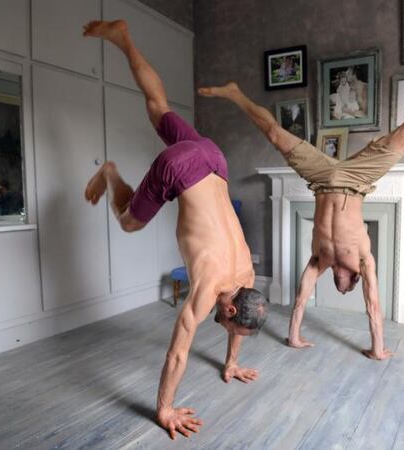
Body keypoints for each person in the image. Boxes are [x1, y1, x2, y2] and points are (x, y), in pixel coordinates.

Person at [199, 40, 404, 361]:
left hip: (321, 180)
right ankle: (237, 93)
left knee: (280, 135)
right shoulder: (364, 261)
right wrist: (377, 348)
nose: (340, 287)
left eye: (340, 288)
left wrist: (294, 336)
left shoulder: (319, 260)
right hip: (358, 180)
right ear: (354, 278)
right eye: (345, 286)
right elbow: (373, 304)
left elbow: (301, 296)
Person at [81, 19, 268, 440]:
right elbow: (177, 354)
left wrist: (232, 363)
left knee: (157, 107)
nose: (226, 331)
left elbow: (243, 319)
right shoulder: (211, 290)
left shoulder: (248, 278)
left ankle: (124, 37)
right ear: (231, 308)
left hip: (212, 158)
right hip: (180, 168)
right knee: (129, 222)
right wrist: (164, 408)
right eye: (229, 327)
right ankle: (111, 173)